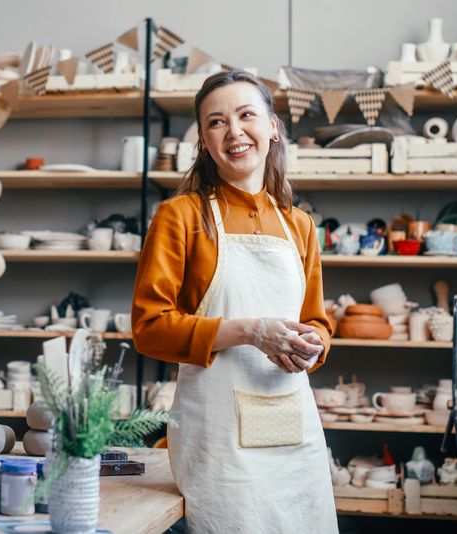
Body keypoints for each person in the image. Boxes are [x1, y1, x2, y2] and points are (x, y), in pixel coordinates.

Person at [131, 70, 337, 533]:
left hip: (293, 433)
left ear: (272, 128)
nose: (234, 132)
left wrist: (313, 345)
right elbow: (149, 328)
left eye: (247, 116)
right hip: (217, 441)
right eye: (216, 123)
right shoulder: (180, 216)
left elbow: (319, 324)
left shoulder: (299, 225)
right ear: (204, 141)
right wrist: (250, 332)